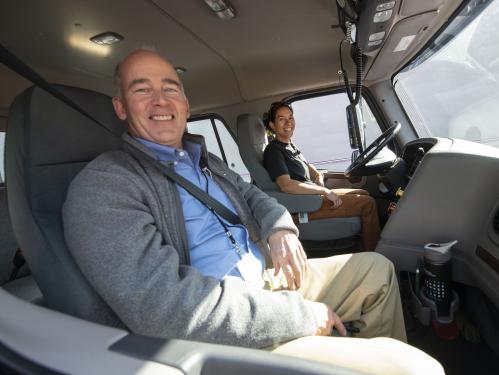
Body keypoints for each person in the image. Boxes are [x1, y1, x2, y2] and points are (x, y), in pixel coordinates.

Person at [62, 49, 443, 374]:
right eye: (141, 89)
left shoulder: (205, 160)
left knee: (376, 270)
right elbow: (168, 311)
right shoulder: (105, 184)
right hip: (217, 330)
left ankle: (353, 355)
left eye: (170, 88)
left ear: (185, 103)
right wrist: (302, 316)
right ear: (120, 107)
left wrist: (280, 229)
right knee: (416, 368)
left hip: (266, 278)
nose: (160, 100)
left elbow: (254, 196)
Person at [263, 101, 380, 251]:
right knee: (367, 204)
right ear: (272, 125)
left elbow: (304, 164)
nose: (288, 122)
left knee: (363, 193)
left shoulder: (288, 145)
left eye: (291, 117)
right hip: (307, 205)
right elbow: (286, 185)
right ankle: (375, 252)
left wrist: (317, 174)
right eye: (281, 119)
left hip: (312, 198)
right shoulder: (274, 151)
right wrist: (324, 191)